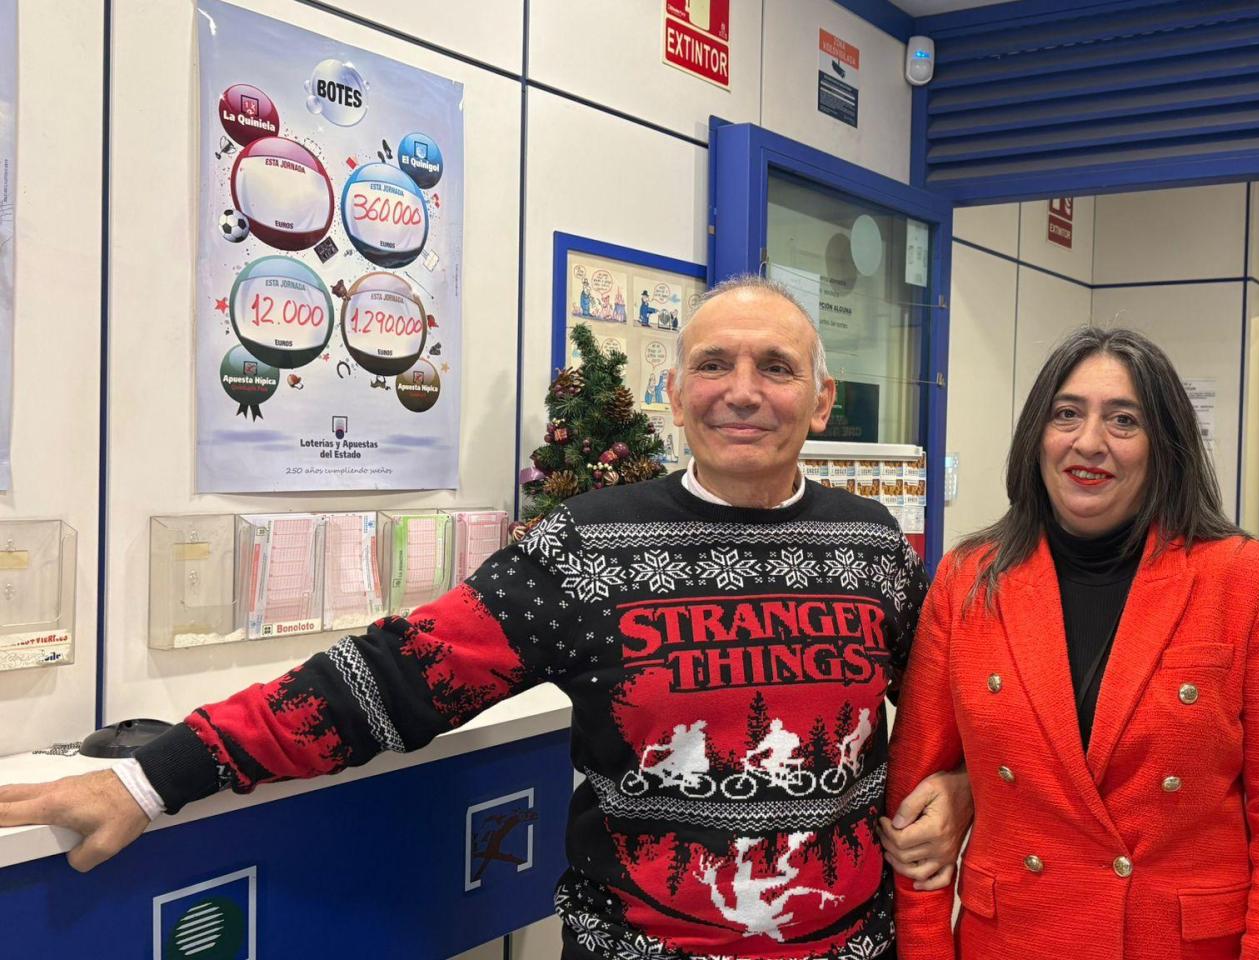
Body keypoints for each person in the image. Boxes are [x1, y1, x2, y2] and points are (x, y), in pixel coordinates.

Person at [0, 276, 971, 960]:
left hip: (852, 948)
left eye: (776, 367)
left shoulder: (874, 547)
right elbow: (388, 681)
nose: (743, 391)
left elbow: (963, 708)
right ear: (673, 395)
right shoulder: (587, 547)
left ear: (820, 398)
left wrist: (962, 788)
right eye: (714, 365)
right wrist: (150, 778)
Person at [884, 327, 1259, 959]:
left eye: (1124, 420)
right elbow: (915, 811)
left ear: (1164, 446)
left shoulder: (1250, 582)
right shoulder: (968, 580)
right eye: (1066, 414)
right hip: (1011, 939)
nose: (1088, 442)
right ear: (1036, 435)